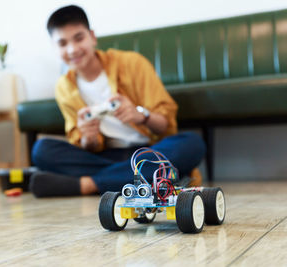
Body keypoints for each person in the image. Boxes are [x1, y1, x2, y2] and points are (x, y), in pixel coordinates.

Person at [29, 5, 206, 197]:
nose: (72, 49)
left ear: (92, 37)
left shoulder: (132, 63)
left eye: (79, 38)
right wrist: (88, 138)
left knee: (192, 143)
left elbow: (165, 125)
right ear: (55, 48)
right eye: (63, 43)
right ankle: (153, 178)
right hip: (103, 157)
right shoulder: (64, 86)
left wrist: (141, 116)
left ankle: (89, 184)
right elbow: (88, 147)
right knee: (41, 150)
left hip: (147, 152)